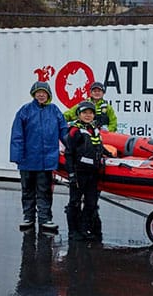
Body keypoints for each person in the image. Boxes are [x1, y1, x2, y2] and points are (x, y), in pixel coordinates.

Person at [10, 81, 68, 231]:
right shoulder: (25, 110)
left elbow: (64, 131)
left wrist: (74, 147)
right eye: (38, 92)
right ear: (34, 94)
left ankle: (45, 219)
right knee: (27, 190)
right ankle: (28, 217)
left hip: (46, 160)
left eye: (44, 92)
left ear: (48, 95)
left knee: (44, 190)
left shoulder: (54, 110)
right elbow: (17, 134)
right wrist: (17, 155)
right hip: (27, 159)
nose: (41, 95)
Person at [64, 101, 111, 241]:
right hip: (79, 172)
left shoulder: (94, 129)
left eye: (90, 113)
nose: (88, 115)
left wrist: (109, 154)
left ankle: (84, 229)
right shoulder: (75, 131)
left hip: (93, 173)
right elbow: (69, 153)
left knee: (91, 203)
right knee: (75, 202)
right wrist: (71, 174)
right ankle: (73, 231)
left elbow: (99, 147)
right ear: (79, 114)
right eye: (85, 113)